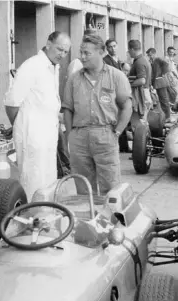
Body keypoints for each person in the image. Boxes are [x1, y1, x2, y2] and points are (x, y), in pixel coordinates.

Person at [62, 34, 132, 195]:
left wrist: (118, 131)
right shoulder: (74, 79)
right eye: (81, 52)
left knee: (111, 185)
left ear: (101, 52)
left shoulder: (116, 76)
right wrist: (70, 136)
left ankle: (111, 219)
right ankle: (89, 217)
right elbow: (68, 109)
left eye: (87, 53)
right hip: (79, 136)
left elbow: (127, 106)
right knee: (83, 186)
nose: (82, 57)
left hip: (106, 134)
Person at [4, 31, 71, 199]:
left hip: (48, 139)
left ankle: (44, 218)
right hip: (32, 139)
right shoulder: (32, 65)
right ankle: (30, 218)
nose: (62, 54)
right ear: (48, 44)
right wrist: (22, 127)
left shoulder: (53, 68)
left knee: (47, 184)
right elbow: (12, 103)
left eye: (65, 52)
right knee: (32, 182)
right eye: (59, 49)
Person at [127, 40, 152, 132]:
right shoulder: (144, 60)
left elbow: (142, 80)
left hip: (140, 94)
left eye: (129, 50)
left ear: (132, 49)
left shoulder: (139, 62)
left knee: (137, 124)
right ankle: (145, 143)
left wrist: (128, 85)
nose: (129, 53)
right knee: (143, 122)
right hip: (145, 92)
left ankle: (140, 145)